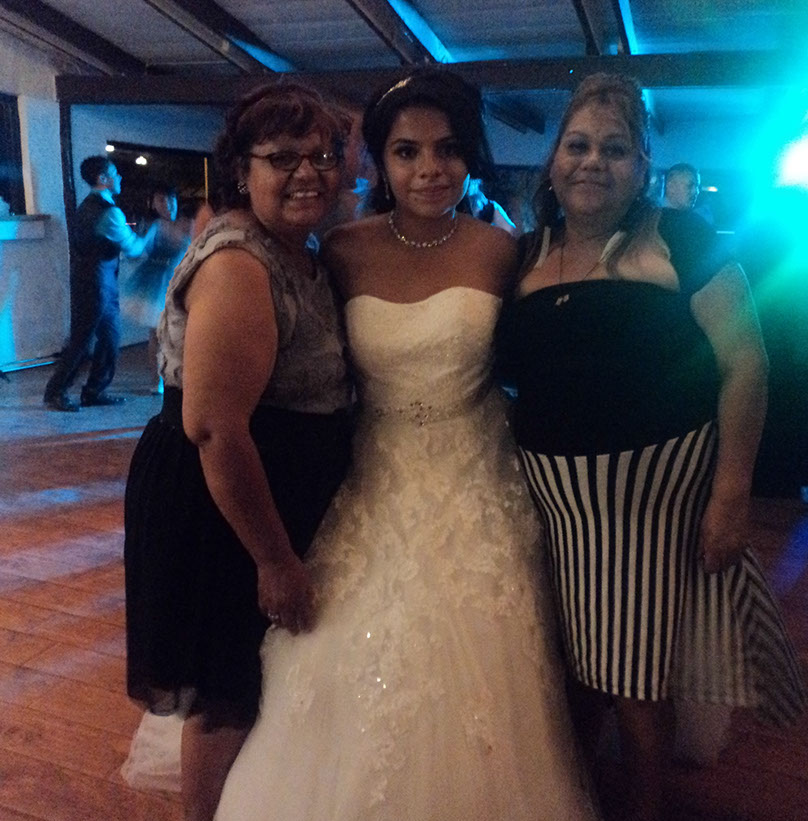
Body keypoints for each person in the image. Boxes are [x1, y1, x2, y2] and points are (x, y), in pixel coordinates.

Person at [214, 68, 599, 821]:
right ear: (381, 161)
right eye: (407, 151)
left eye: (448, 149)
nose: (430, 169)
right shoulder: (340, 249)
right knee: (344, 648)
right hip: (374, 473)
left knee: (490, 657)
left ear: (470, 156)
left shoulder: (502, 251)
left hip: (479, 475)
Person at [497, 73, 806, 821]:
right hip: (550, 506)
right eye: (577, 145)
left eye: (615, 149)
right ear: (552, 161)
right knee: (568, 672)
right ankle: (575, 800)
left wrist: (731, 494)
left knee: (635, 677)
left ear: (642, 167)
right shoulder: (524, 254)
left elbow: (746, 366)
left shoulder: (681, 238)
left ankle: (645, 809)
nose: (592, 162)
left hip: (650, 507)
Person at [123, 82, 354, 821]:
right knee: (226, 691)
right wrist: (274, 559)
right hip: (220, 504)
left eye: (322, 156)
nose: (307, 172)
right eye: (282, 157)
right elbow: (216, 429)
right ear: (241, 169)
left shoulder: (298, 250)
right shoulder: (237, 262)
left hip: (260, 492)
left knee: (252, 680)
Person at [43, 155, 156, 411]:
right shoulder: (110, 213)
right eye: (115, 173)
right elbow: (134, 249)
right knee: (83, 340)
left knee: (109, 338)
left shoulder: (85, 207)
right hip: (97, 283)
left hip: (92, 280)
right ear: (103, 178)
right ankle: (56, 391)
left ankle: (94, 391)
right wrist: (155, 232)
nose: (120, 177)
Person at [124, 184, 191, 393]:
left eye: (170, 200)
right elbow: (137, 250)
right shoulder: (155, 227)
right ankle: (157, 380)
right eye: (161, 201)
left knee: (183, 333)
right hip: (156, 284)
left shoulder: (188, 224)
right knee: (157, 334)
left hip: (181, 283)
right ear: (154, 204)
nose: (167, 205)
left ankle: (183, 376)